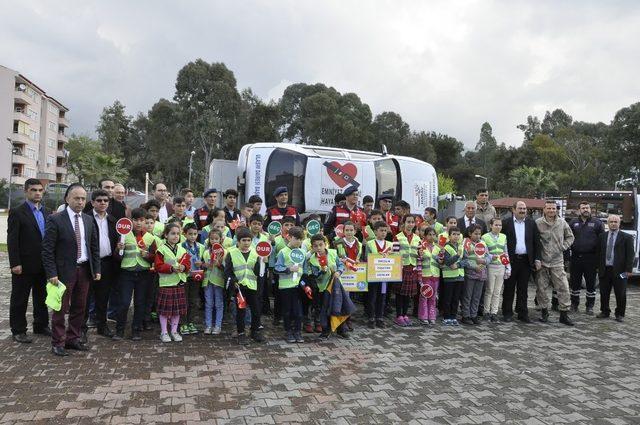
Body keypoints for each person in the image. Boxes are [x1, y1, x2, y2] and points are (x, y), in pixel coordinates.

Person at [42, 183, 101, 356]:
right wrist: (51, 272)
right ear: (67, 199)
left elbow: (93, 247)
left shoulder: (88, 220)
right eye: (76, 198)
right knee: (60, 309)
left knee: (80, 307)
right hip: (62, 272)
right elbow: (47, 249)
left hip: (84, 270)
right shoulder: (55, 219)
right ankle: (57, 342)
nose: (80, 202)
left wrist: (96, 268)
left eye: (83, 199)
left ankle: (72, 339)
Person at [8, 178, 51, 343]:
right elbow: (12, 240)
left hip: (43, 264)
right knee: (20, 298)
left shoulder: (47, 212)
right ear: (26, 191)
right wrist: (15, 263)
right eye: (33, 190)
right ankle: (18, 330)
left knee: (42, 297)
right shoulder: (17, 212)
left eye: (40, 190)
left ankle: (41, 325)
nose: (37, 193)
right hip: (24, 265)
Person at [114, 208, 157, 341]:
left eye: (142, 220)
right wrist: (118, 249)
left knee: (140, 303)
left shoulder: (150, 238)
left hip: (143, 274)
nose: (139, 223)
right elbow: (116, 258)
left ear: (146, 221)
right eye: (136, 220)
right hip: (126, 273)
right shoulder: (123, 235)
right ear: (131, 221)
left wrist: (148, 255)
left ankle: (136, 331)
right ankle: (119, 330)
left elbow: (155, 258)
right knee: (124, 302)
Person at [85, 189, 119, 339]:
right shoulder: (85, 219)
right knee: (85, 297)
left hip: (107, 263)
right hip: (89, 263)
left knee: (103, 297)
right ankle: (81, 328)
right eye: (99, 200)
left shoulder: (113, 220)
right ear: (92, 202)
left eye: (105, 201)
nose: (103, 203)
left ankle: (102, 326)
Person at [535, 200, 575, 326]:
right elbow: (534, 240)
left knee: (563, 287)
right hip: (543, 261)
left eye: (554, 209)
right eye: (549, 208)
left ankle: (564, 314)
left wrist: (564, 247)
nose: (552, 211)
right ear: (544, 209)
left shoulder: (562, 223)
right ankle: (544, 312)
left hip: (557, 261)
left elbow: (570, 237)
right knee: (541, 288)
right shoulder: (538, 223)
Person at [224, 226, 265, 345]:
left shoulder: (256, 253)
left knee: (256, 310)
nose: (246, 243)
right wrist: (233, 280)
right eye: (244, 240)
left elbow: (259, 272)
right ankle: (241, 333)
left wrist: (262, 262)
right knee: (240, 311)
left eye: (249, 240)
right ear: (238, 241)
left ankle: (255, 331)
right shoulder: (231, 254)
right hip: (239, 287)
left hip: (253, 286)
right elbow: (228, 272)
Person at [501, 201, 538, 323]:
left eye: (524, 208)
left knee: (523, 288)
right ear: (513, 209)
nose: (523, 210)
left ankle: (522, 312)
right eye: (520, 208)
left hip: (526, 261)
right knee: (509, 288)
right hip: (511, 260)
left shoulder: (531, 223)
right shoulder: (506, 223)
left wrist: (537, 259)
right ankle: (507, 312)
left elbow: (536, 242)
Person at [304, 233, 346, 339]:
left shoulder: (333, 253)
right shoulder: (312, 260)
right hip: (322, 288)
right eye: (315, 246)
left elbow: (340, 264)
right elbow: (314, 275)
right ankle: (325, 330)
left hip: (336, 286)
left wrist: (339, 272)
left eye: (320, 245)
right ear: (312, 247)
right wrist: (322, 272)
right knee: (324, 309)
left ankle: (340, 329)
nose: (318, 248)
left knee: (338, 307)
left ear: (325, 244)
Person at [154, 223, 191, 343]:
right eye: (173, 233)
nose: (176, 236)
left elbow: (187, 264)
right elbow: (158, 266)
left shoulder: (182, 249)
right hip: (166, 283)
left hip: (179, 283)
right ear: (166, 235)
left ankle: (174, 331)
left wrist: (184, 268)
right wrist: (171, 268)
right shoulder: (161, 249)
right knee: (165, 311)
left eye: (178, 234)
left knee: (177, 310)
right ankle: (164, 332)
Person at [596, 215, 634, 322]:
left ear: (619, 223)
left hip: (620, 270)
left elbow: (630, 255)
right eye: (611, 221)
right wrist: (597, 267)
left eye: (615, 222)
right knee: (604, 292)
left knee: (620, 293)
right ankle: (605, 311)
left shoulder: (626, 237)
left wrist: (628, 270)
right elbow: (598, 253)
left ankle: (620, 314)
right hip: (605, 269)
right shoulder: (602, 236)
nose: (613, 223)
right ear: (607, 223)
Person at [568, 202, 604, 314]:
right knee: (575, 283)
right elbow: (568, 238)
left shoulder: (597, 223)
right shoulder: (573, 223)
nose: (585, 210)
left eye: (587, 208)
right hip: (576, 258)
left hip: (591, 258)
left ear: (590, 209)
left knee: (590, 283)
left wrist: (599, 260)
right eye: (583, 208)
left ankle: (590, 306)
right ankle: (574, 304)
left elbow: (601, 242)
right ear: (579, 210)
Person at [274, 226, 306, 343]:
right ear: (289, 237)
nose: (299, 241)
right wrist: (289, 269)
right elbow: (277, 268)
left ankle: (297, 331)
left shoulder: (302, 252)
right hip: (285, 287)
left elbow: (305, 270)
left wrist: (304, 284)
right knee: (287, 310)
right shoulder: (283, 252)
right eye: (296, 238)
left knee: (298, 311)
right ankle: (288, 331)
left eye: (301, 239)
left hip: (298, 287)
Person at [482, 218, 511, 323]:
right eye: (496, 225)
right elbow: (484, 252)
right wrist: (490, 256)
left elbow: (505, 252)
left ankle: (494, 312)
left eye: (500, 225)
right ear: (491, 225)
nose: (498, 227)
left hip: (501, 266)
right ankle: (486, 311)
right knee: (489, 290)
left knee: (497, 291)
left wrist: (508, 266)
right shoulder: (484, 237)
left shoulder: (504, 237)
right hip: (490, 266)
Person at [460, 225, 490, 325]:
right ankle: (466, 315)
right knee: (468, 295)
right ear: (470, 234)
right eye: (475, 234)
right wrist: (474, 267)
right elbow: (464, 259)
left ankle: (474, 315)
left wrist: (484, 260)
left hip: (481, 274)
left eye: (479, 234)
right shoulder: (466, 244)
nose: (478, 236)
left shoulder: (483, 244)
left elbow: (488, 257)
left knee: (477, 296)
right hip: (470, 274)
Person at [364, 222, 392, 328]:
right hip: (373, 276)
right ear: (375, 231)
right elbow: (367, 258)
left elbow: (393, 259)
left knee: (382, 297)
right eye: (381, 230)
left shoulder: (390, 244)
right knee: (372, 297)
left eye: (385, 230)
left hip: (385, 277)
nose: (383, 233)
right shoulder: (370, 244)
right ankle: (371, 318)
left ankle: (380, 318)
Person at [393, 215, 419, 327]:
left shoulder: (417, 238)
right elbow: (394, 253)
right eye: (408, 222)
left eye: (412, 222)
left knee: (408, 294)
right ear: (403, 223)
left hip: (412, 268)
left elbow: (419, 254)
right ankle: (399, 315)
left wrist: (420, 255)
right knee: (400, 293)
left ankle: (405, 315)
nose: (410, 224)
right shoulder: (397, 237)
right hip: (401, 268)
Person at [180, 223, 205, 335]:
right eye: (190, 234)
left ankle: (190, 322)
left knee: (194, 300)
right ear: (184, 234)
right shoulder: (181, 247)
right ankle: (183, 323)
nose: (193, 236)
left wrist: (202, 264)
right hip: (184, 277)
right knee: (183, 300)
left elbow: (205, 261)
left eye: (195, 234)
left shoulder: (201, 247)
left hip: (196, 277)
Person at [201, 229, 226, 334]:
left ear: (221, 239)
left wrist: (219, 264)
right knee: (208, 304)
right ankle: (208, 325)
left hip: (218, 281)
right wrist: (203, 265)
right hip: (207, 281)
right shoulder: (206, 252)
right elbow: (203, 265)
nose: (214, 240)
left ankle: (218, 326)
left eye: (216, 238)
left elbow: (226, 268)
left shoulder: (224, 252)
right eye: (212, 238)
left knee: (219, 304)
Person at [439, 227, 464, 326]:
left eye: (458, 234)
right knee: (448, 298)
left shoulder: (461, 246)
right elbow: (448, 261)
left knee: (456, 298)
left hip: (460, 276)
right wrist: (457, 256)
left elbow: (466, 260)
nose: (456, 236)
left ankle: (453, 316)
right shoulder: (446, 247)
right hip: (449, 277)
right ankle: (446, 317)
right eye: (454, 234)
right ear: (449, 236)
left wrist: (458, 265)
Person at [417, 225, 439, 325]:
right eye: (429, 234)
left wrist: (442, 256)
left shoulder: (438, 247)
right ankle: (423, 316)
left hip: (435, 275)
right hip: (425, 275)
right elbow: (418, 261)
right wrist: (419, 276)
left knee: (433, 297)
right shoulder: (421, 246)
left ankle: (432, 316)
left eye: (434, 235)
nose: (431, 236)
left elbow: (440, 262)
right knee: (424, 296)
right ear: (425, 236)